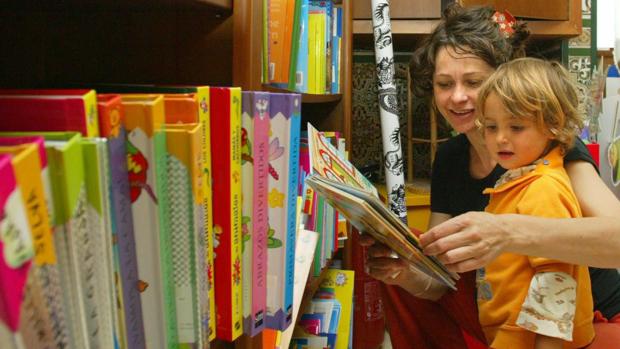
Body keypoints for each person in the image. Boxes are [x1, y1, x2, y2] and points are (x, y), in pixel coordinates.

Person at [361, 4, 620, 349]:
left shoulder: (548, 147)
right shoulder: (451, 158)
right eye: (443, 84)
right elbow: (442, 280)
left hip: (583, 323)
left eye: (473, 82)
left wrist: (506, 232)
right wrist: (405, 272)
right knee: (414, 250)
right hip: (505, 316)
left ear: (502, 81)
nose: (457, 97)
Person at [475, 57, 594, 349]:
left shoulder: (544, 188)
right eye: (491, 127)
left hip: (530, 339)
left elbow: (556, 281)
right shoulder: (520, 179)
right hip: (512, 331)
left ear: (553, 126)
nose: (500, 138)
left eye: (516, 127)